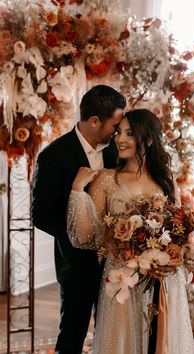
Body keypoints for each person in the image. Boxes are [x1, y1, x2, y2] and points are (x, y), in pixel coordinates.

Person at [67, 109, 194, 354]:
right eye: (119, 132)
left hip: (162, 282)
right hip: (122, 281)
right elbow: (86, 236)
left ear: (147, 140)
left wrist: (173, 261)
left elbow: (178, 234)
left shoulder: (166, 180)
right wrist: (77, 190)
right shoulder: (106, 179)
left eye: (129, 133)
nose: (120, 139)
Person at [31, 85, 126, 354]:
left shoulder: (115, 152)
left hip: (114, 260)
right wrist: (79, 235)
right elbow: (41, 215)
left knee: (109, 329)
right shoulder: (52, 156)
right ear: (94, 121)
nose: (117, 132)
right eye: (115, 125)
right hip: (75, 263)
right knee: (73, 331)